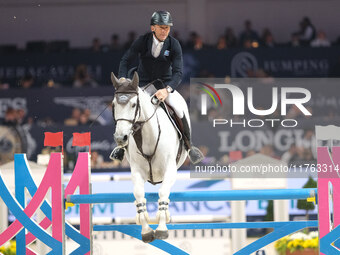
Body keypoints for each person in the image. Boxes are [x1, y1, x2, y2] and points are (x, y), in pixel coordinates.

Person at [110, 10, 204, 164]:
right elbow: (125, 60)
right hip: (142, 85)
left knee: (180, 108)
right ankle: (121, 146)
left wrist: (167, 90)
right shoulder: (142, 41)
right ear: (152, 28)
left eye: (167, 28)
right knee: (125, 106)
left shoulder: (174, 44)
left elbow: (179, 72)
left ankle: (189, 146)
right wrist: (122, 78)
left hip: (164, 85)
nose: (164, 31)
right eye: (161, 27)